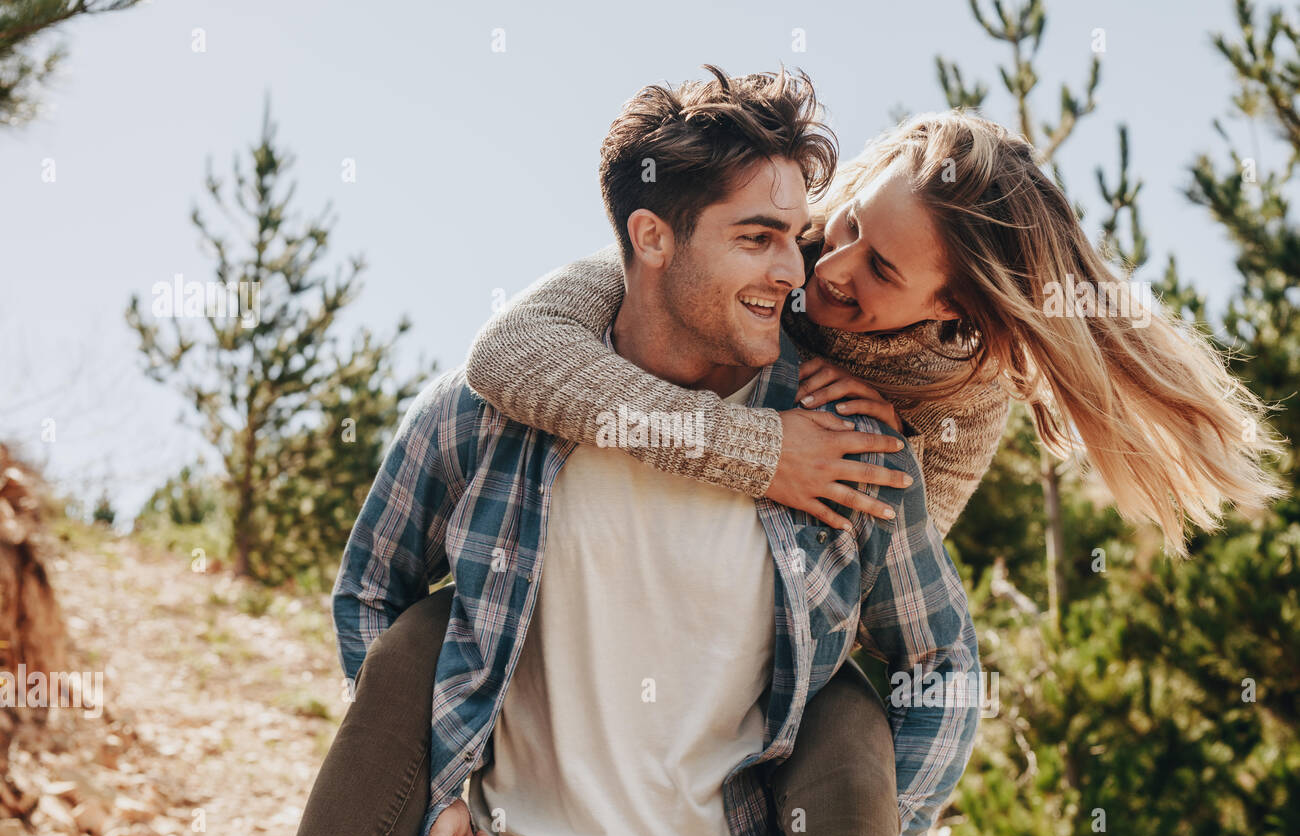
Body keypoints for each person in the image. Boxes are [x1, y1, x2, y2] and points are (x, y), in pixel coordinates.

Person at [289, 64, 982, 836]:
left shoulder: (846, 446)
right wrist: (439, 794)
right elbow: (372, 587)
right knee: (418, 636)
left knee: (848, 711)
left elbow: (942, 664)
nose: (797, 274)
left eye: (795, 237)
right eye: (757, 238)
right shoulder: (494, 412)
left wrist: (889, 830)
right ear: (652, 237)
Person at [464, 109, 1286, 550]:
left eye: (882, 271)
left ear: (952, 311)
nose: (829, 267)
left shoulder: (961, 396)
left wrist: (895, 457)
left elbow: (883, 603)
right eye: (851, 224)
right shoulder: (776, 244)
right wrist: (763, 450)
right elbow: (513, 351)